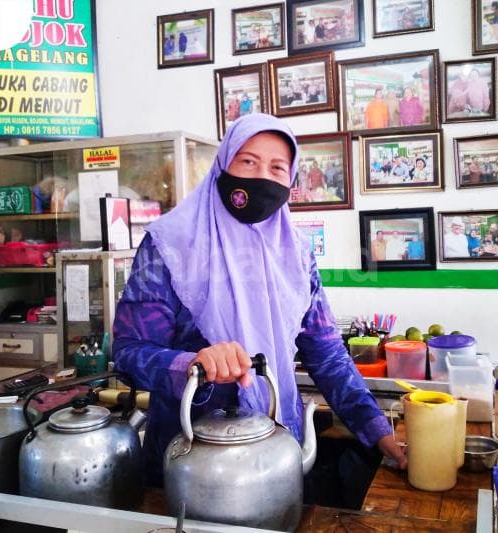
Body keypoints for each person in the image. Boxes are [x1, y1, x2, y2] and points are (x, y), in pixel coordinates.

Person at [113, 114, 407, 486]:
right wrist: (190, 364)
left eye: (277, 167)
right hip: (188, 460)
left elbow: (327, 353)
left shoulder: (297, 256)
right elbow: (128, 352)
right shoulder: (168, 246)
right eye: (248, 161)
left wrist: (378, 430)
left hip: (278, 449)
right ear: (223, 165)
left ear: (290, 179)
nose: (262, 176)